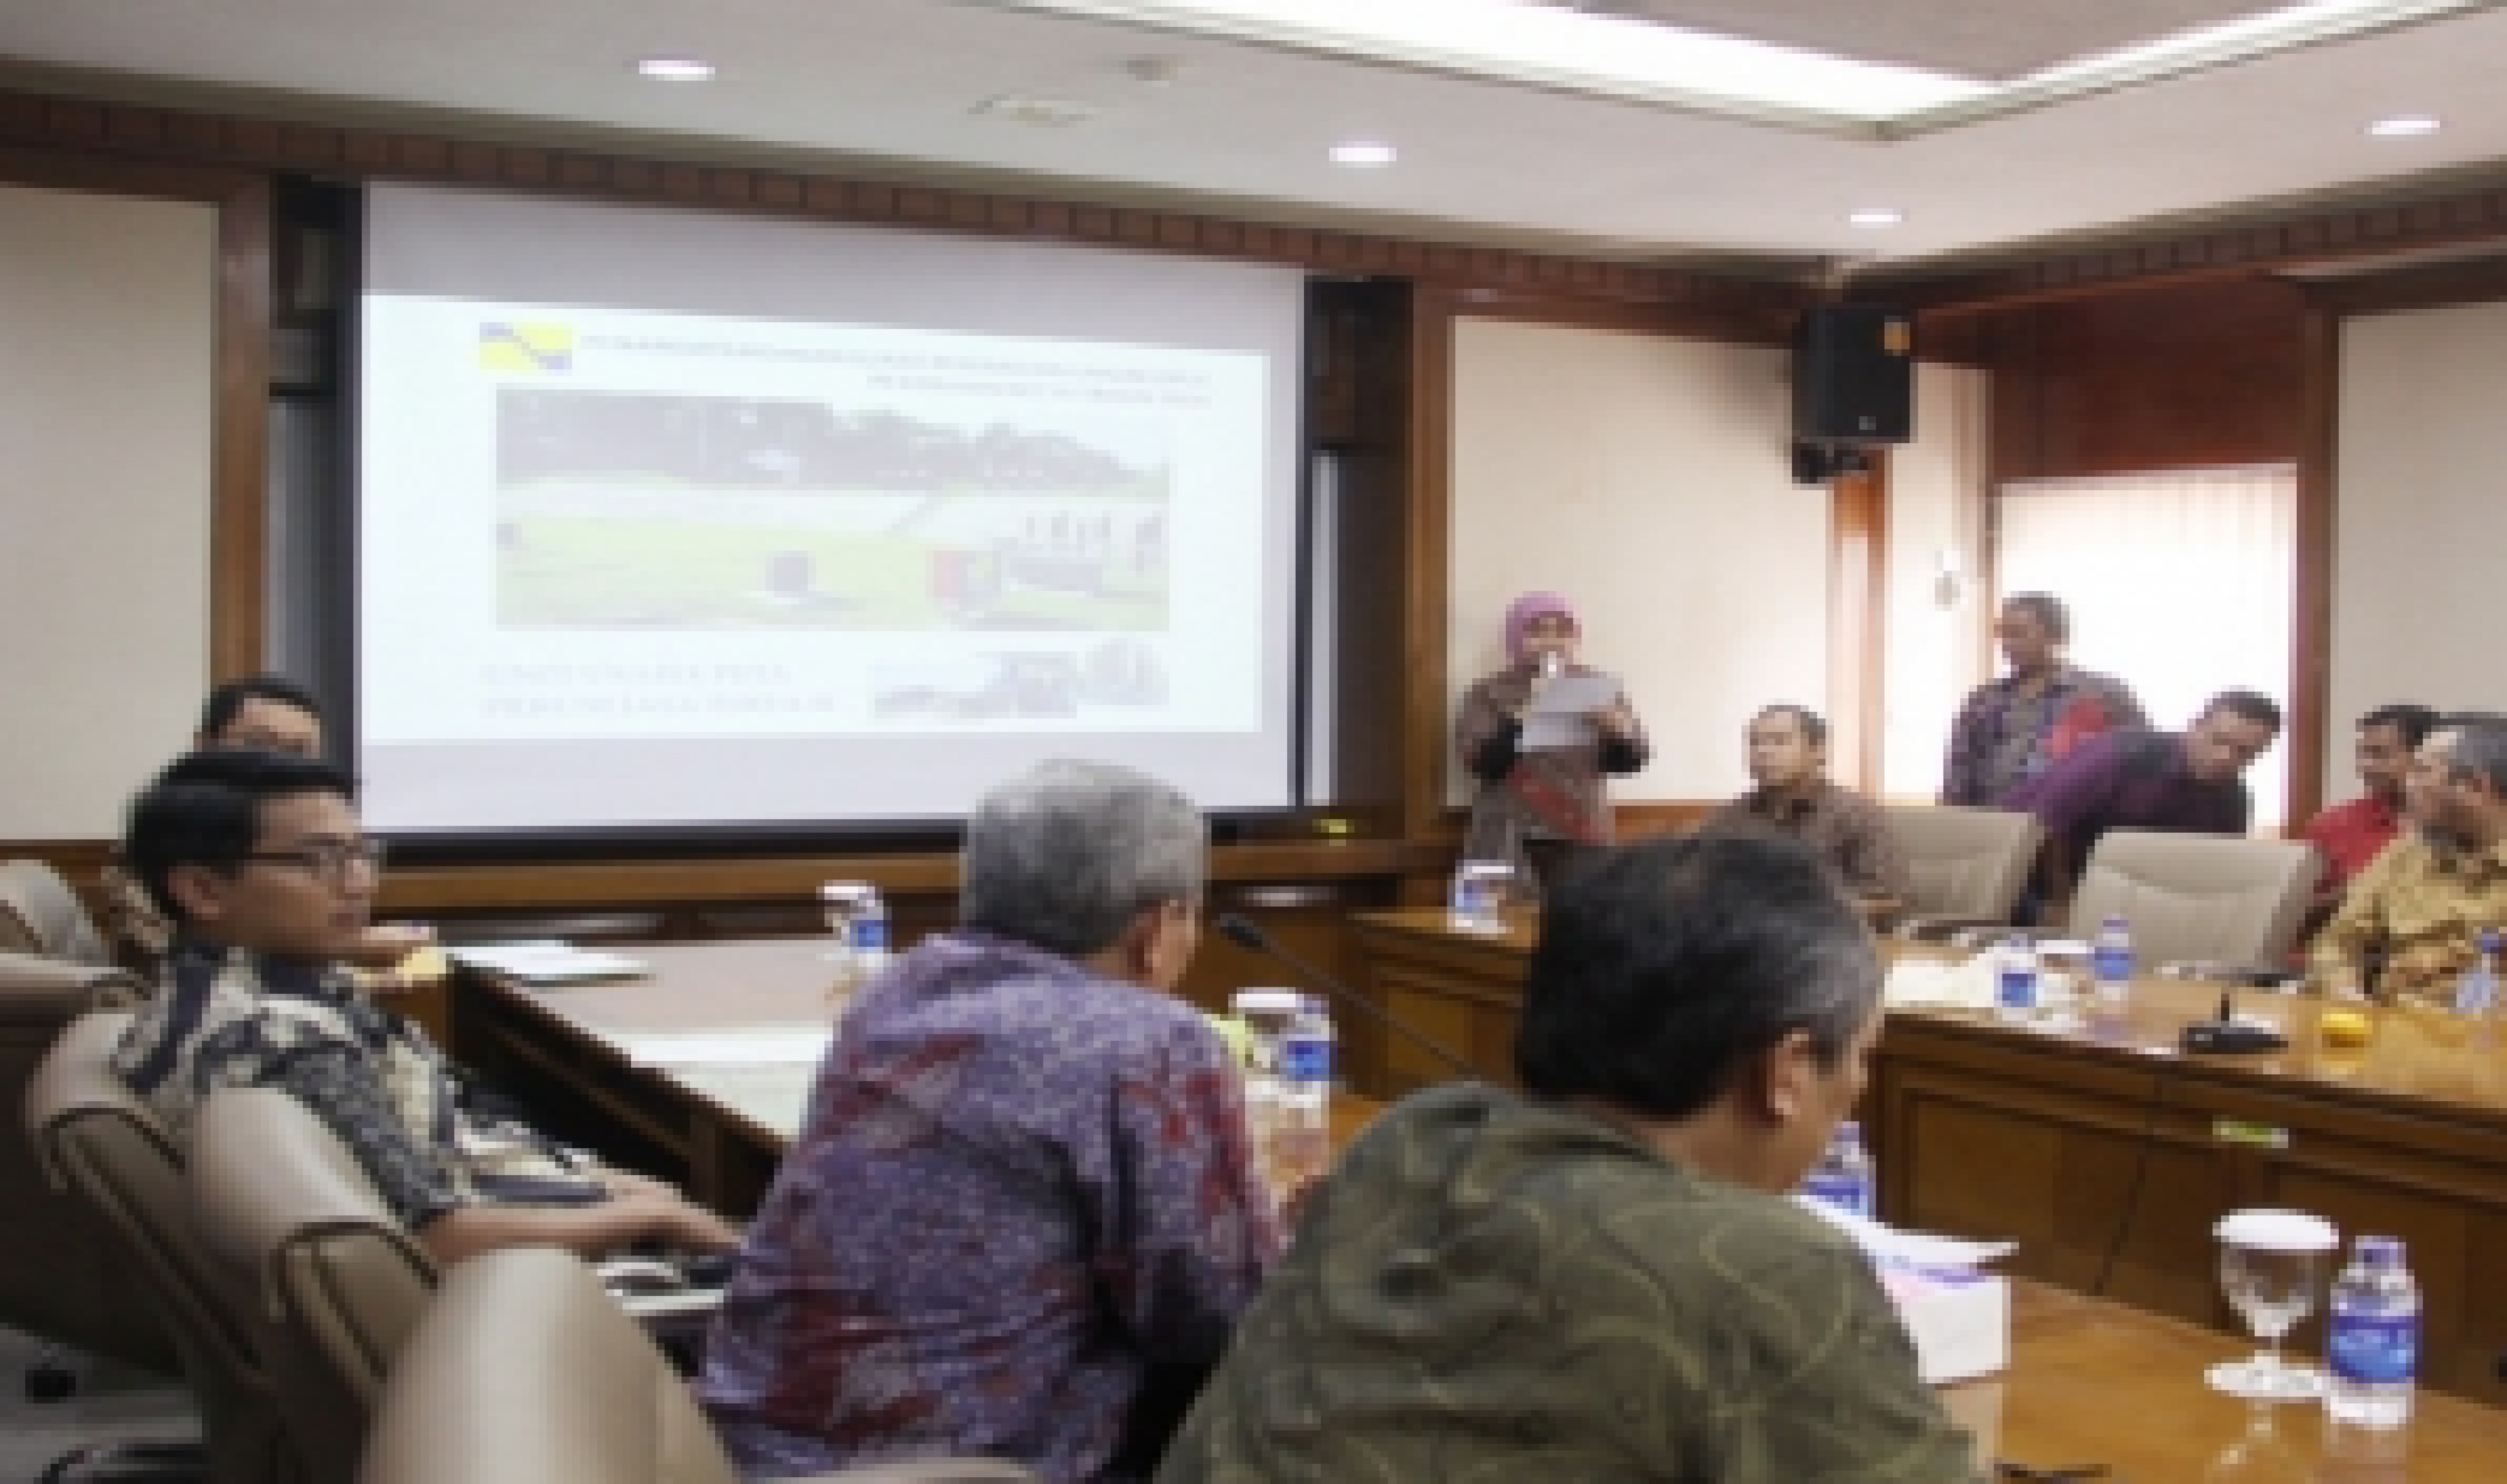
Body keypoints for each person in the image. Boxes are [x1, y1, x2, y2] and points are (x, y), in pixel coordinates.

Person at [1157, 832, 1977, 1483]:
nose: (1858, 1089)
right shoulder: (1765, 1269)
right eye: (1861, 1057)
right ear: (1788, 1071)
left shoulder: (1413, 1137)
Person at [699, 759, 1280, 1483]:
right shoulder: (1148, 1040)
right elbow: (1215, 1314)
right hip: (965, 1467)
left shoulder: (899, 988)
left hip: (748, 1451)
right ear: (1157, 930)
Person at [109, 748, 739, 1264]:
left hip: (519, 1230)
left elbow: (443, 1153)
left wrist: (608, 1187)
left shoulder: (214, 992)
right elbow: (436, 1238)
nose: (358, 882)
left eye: (360, 854)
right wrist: (648, 1217)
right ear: (200, 890)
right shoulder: (279, 1041)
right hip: (516, 1297)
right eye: (318, 860)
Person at [100, 674, 432, 979]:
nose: (279, 762)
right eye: (260, 745)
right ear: (204, 746)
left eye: (301, 753)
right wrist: (350, 946)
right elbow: (163, 962)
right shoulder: (167, 840)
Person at [2004, 689, 2282, 922]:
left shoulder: (2234, 800)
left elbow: (2211, 871)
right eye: (2219, 741)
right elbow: (2047, 824)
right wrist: (2062, 904)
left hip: (2113, 895)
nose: (2226, 758)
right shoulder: (2126, 753)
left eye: (2245, 752)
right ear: (2195, 726)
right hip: (2025, 871)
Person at [1453, 591, 1648, 893]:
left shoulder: (1598, 689)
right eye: (1538, 631)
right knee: (1493, 919)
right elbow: (1482, 764)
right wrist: (1532, 705)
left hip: (1582, 832)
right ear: (1516, 638)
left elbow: (1630, 763)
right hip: (1504, 835)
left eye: (1562, 631)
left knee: (1582, 916)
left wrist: (1617, 731)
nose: (1551, 641)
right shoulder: (1486, 693)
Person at [2309, 716, 2507, 1004]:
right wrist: (2347, 996)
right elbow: (2337, 946)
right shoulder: (2405, 854)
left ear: (2475, 787)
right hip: (2391, 1023)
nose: (2405, 784)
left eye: (2421, 771)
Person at [1697, 703, 1913, 925]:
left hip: (1827, 936)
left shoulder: (1858, 814)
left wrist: (1792, 912)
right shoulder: (1733, 814)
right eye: (1754, 742)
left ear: (1819, 752)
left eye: (1779, 741)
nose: (1763, 752)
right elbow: (1702, 880)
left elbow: (1890, 900)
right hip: (1743, 934)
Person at [1940, 592, 2145, 806]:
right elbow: (1958, 778)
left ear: (2057, 636)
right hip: (1995, 821)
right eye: (2003, 635)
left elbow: (2141, 764)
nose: (2008, 644)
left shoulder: (2105, 695)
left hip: (2076, 819)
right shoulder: (1982, 701)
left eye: (2018, 634)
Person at [2300, 704, 2440, 917]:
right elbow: (2298, 911)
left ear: (2428, 757)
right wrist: (2362, 893)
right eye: (2362, 754)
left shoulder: (2470, 823)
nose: (2364, 766)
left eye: (2379, 754)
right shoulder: (2332, 824)